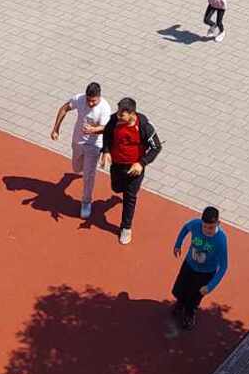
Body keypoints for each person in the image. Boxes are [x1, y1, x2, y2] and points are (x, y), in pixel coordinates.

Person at [105, 97, 162, 245]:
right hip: (117, 165)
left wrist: (142, 163)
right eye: (118, 112)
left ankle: (126, 228)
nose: (118, 115)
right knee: (116, 188)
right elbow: (107, 134)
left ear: (131, 114)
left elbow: (157, 147)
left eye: (122, 114)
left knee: (129, 197)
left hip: (134, 169)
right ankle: (116, 199)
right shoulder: (114, 120)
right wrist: (106, 151)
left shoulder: (144, 126)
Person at [52, 82, 112, 220]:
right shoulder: (79, 99)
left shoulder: (104, 108)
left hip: (94, 145)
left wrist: (94, 130)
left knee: (88, 175)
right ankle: (70, 176)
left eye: (93, 101)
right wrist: (56, 129)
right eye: (88, 100)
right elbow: (64, 108)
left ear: (99, 97)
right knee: (77, 168)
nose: (90, 103)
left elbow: (107, 128)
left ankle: (86, 202)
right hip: (78, 141)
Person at [171, 206, 230, 330]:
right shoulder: (196, 224)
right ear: (201, 222)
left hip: (205, 273)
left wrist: (210, 286)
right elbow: (185, 228)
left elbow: (224, 266)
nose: (207, 230)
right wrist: (178, 243)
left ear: (218, 223)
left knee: (195, 296)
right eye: (205, 226)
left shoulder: (221, 240)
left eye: (211, 227)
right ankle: (180, 303)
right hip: (189, 265)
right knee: (181, 287)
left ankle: (189, 314)